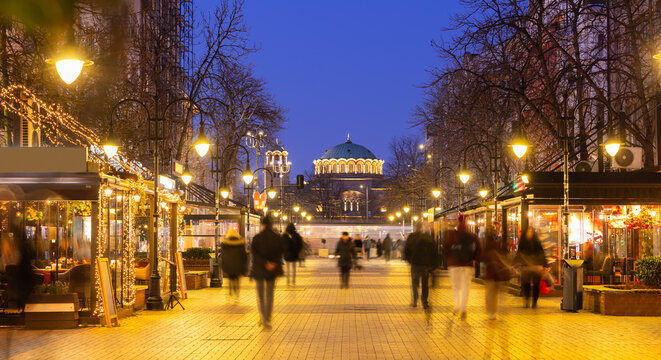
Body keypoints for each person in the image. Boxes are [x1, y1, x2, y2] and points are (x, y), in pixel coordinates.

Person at [443, 214, 481, 319]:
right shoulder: (472, 235)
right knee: (465, 287)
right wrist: (475, 259)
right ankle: (463, 309)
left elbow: (445, 248)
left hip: (454, 265)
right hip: (468, 265)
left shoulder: (452, 235)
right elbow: (478, 250)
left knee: (455, 286)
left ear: (458, 222)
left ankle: (456, 306)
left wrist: (449, 259)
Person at [250, 215, 286, 330]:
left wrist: (265, 263)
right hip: (273, 270)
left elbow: (254, 255)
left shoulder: (256, 238)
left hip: (260, 269)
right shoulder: (278, 238)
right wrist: (273, 263)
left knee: (261, 296)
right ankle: (268, 318)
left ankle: (264, 318)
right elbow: (280, 253)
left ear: (263, 225)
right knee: (270, 295)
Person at [404, 223, 438, 309]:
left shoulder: (411, 237)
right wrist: (433, 265)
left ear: (416, 228)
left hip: (415, 264)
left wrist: (409, 260)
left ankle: (415, 300)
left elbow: (406, 250)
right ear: (422, 228)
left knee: (415, 283)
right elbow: (434, 251)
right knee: (425, 284)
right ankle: (424, 302)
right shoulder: (427, 237)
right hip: (425, 265)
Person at [481, 226, 511, 320]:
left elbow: (483, 259)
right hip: (502, 272)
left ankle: (492, 313)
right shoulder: (501, 244)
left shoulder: (486, 245)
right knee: (502, 294)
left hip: (491, 273)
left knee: (491, 294)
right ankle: (502, 313)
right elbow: (507, 256)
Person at [514, 227, 548, 309]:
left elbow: (541, 253)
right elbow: (519, 253)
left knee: (536, 284)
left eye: (531, 232)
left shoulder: (536, 243)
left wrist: (544, 265)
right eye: (528, 232)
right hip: (526, 267)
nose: (529, 234)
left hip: (536, 267)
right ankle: (526, 301)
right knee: (526, 284)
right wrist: (515, 263)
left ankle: (534, 302)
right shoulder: (523, 243)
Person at [221, 228, 248, 304]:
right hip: (238, 265)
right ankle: (236, 297)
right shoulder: (240, 243)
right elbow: (243, 255)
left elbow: (223, 255)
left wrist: (224, 264)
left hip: (229, 265)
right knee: (237, 281)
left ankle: (229, 297)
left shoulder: (226, 243)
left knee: (230, 281)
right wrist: (245, 264)